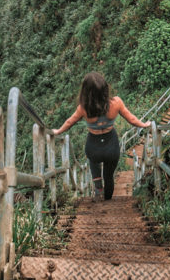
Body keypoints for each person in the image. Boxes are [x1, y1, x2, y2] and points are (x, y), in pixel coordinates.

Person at [50, 71, 147, 201]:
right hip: (111, 146)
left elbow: (69, 122)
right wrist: (145, 125)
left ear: (86, 92)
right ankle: (107, 200)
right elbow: (132, 119)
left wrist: (58, 131)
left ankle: (98, 187)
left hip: (93, 145)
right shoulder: (116, 103)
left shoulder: (83, 108)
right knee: (109, 176)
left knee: (93, 160)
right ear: (105, 88)